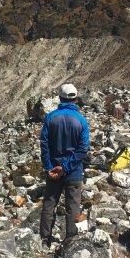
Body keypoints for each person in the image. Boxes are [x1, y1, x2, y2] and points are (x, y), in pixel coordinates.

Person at [39, 83, 91, 249]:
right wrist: (67, 167)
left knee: (49, 204)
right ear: (75, 99)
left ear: (59, 98)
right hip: (74, 172)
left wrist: (49, 167)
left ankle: (44, 240)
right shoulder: (81, 120)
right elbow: (83, 149)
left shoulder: (50, 117)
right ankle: (70, 241)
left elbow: (44, 144)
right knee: (73, 207)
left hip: (54, 171)